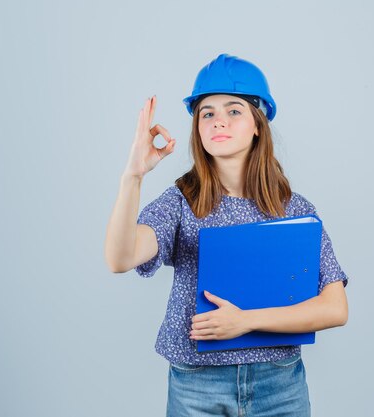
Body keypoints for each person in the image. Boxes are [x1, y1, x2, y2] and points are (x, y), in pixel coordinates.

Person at [104, 53, 349, 417]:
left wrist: (246, 321)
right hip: (197, 385)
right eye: (208, 113)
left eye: (234, 110)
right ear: (198, 129)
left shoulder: (294, 210)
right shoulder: (180, 203)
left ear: (257, 124)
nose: (219, 121)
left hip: (279, 383)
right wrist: (133, 177)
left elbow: (335, 308)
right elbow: (120, 258)